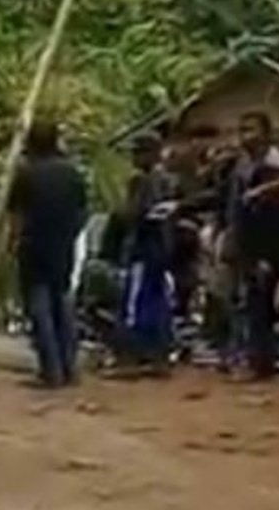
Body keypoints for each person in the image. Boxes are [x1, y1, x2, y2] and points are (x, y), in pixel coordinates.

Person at [8, 120, 88, 389]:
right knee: (63, 303)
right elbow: (81, 213)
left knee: (39, 306)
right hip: (63, 245)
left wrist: (13, 241)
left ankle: (51, 370)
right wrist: (70, 236)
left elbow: (17, 215)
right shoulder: (72, 173)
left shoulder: (26, 174)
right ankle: (69, 367)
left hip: (34, 245)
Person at [225, 111, 279, 381]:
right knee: (249, 302)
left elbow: (278, 217)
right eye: (242, 130)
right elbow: (232, 204)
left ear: (266, 133)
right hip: (247, 243)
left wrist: (269, 255)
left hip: (267, 246)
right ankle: (253, 358)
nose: (245, 136)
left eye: (251, 130)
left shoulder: (273, 166)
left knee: (260, 304)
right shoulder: (244, 165)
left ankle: (261, 363)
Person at [113, 132, 177, 377]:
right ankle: (157, 357)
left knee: (135, 304)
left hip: (145, 248)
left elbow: (135, 215)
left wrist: (124, 213)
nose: (133, 158)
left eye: (138, 152)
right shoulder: (166, 180)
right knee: (156, 302)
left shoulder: (144, 181)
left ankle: (132, 358)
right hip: (161, 249)